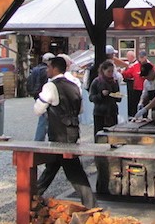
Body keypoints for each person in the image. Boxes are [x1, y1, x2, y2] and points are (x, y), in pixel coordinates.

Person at [33, 56, 96, 207]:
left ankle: (91, 205)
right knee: (53, 166)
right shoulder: (75, 85)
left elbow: (38, 109)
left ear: (54, 68)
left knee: (73, 170)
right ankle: (33, 195)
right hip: (73, 130)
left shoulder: (50, 86)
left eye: (48, 67)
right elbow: (80, 110)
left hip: (59, 132)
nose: (47, 70)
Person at [89, 59, 122, 136]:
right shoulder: (97, 82)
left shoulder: (114, 82)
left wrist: (116, 95)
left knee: (112, 134)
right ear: (103, 70)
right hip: (100, 112)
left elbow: (118, 98)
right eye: (108, 71)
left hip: (112, 112)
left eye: (112, 71)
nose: (110, 74)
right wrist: (101, 95)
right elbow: (91, 98)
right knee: (100, 134)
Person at [29, 52, 55, 141]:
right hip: (44, 96)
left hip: (37, 95)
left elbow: (29, 83)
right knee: (43, 120)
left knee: (43, 118)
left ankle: (39, 139)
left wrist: (33, 93)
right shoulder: (46, 71)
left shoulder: (35, 69)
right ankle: (39, 139)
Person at [121, 50, 148, 116]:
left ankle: (145, 117)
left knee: (145, 104)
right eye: (140, 57)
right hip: (136, 89)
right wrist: (122, 72)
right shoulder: (135, 66)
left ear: (145, 57)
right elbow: (128, 74)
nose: (141, 59)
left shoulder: (149, 65)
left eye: (142, 57)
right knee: (135, 104)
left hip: (146, 89)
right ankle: (135, 117)